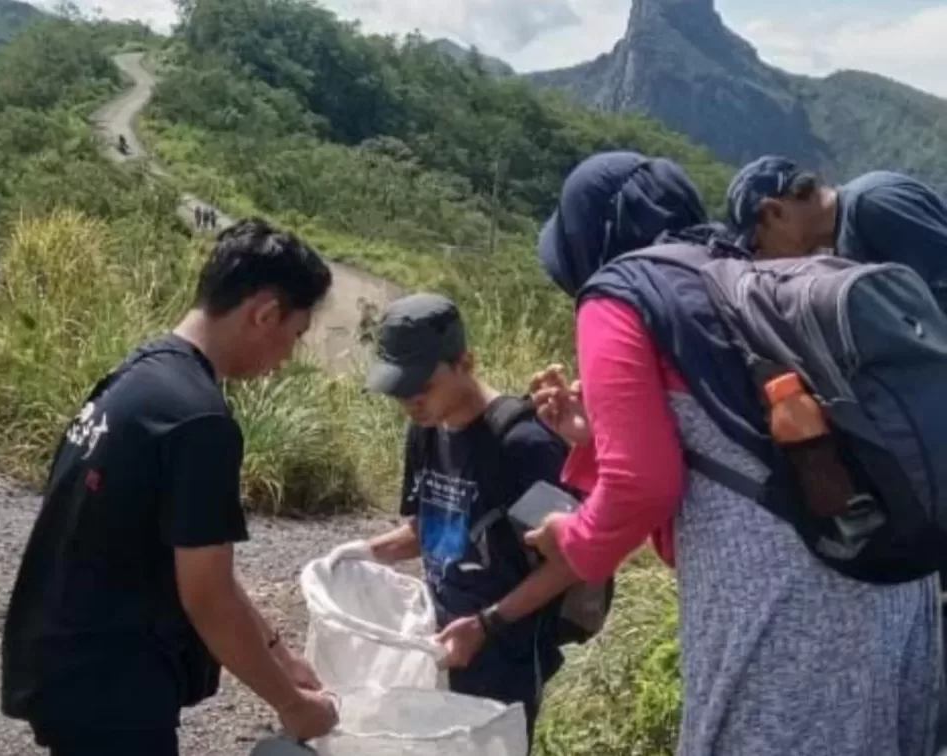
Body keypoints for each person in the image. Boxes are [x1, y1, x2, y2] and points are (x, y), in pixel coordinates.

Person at [526, 151, 941, 755]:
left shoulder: (618, 296)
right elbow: (731, 445)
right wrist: (596, 436)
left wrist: (574, 540)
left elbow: (643, 485)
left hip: (789, 608)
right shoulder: (742, 270)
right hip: (888, 573)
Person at [1, 219, 339, 756]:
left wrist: (280, 653)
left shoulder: (139, 376)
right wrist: (292, 703)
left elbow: (205, 570)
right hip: (111, 688)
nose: (287, 357)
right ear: (266, 314)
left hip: (64, 667)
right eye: (295, 336)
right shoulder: (199, 421)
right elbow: (207, 598)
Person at [327, 292, 577, 745]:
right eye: (399, 389)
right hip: (437, 643)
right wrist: (361, 553)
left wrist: (486, 626)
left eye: (421, 386)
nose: (410, 401)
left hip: (507, 659)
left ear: (465, 362)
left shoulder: (522, 445)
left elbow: (570, 561)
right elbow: (430, 529)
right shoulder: (424, 430)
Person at [725, 155, 947, 308]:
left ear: (774, 212)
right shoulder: (843, 242)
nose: (763, 258)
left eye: (757, 245)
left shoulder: (871, 205)